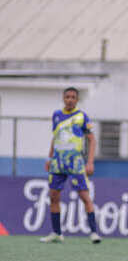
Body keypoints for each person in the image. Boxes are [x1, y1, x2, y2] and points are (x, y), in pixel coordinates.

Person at [40, 87, 101, 244]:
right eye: (67, 96)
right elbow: (55, 137)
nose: (70, 99)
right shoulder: (57, 115)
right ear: (63, 98)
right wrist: (49, 157)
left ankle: (94, 233)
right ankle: (56, 233)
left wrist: (90, 162)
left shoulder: (82, 116)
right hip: (58, 161)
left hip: (75, 161)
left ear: (77, 100)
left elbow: (92, 139)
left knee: (84, 195)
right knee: (53, 195)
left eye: (73, 97)